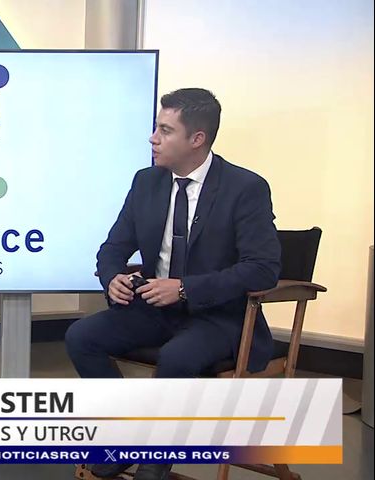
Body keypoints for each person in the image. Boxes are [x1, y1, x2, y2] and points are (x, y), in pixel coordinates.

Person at [65, 88, 281, 480]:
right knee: (82, 337)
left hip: (218, 316)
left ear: (197, 139)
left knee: (177, 358)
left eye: (165, 130)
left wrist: (185, 289)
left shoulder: (244, 188)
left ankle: (153, 465)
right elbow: (112, 248)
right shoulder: (146, 182)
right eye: (156, 128)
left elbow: (262, 269)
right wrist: (113, 277)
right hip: (155, 309)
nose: (153, 138)